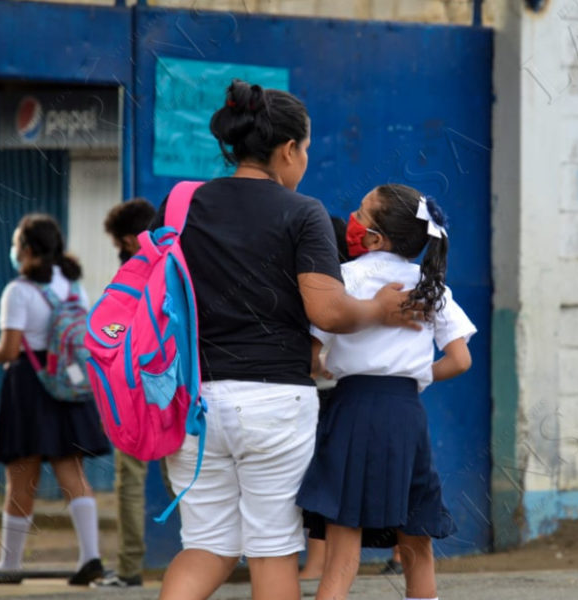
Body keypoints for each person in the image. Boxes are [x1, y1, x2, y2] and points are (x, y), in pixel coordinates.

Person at [154, 80, 419, 600]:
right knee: (272, 551)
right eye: (307, 149)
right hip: (273, 403)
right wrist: (378, 308)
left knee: (206, 547)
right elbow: (328, 310)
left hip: (193, 403)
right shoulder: (302, 212)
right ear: (289, 149)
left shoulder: (181, 204)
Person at [297, 184, 476, 600]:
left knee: (343, 547)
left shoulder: (345, 279)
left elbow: (310, 353)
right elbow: (460, 359)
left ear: (375, 238)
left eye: (360, 212)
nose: (352, 219)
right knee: (416, 536)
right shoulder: (430, 286)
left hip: (352, 410)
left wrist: (322, 366)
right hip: (406, 414)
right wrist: (414, 375)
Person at [0, 214, 111, 585]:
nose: (14, 250)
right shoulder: (74, 286)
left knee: (21, 477)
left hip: (30, 385)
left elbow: (9, 350)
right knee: (73, 472)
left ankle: (10, 564)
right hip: (69, 383)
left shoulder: (19, 291)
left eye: (16, 244)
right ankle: (91, 557)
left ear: (28, 250)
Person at [93, 198, 157, 588]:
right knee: (184, 478)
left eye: (119, 243)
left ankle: (130, 568)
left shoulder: (128, 277)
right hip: (174, 386)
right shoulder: (176, 268)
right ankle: (206, 557)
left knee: (131, 480)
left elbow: (111, 336)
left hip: (133, 390)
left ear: (131, 240)